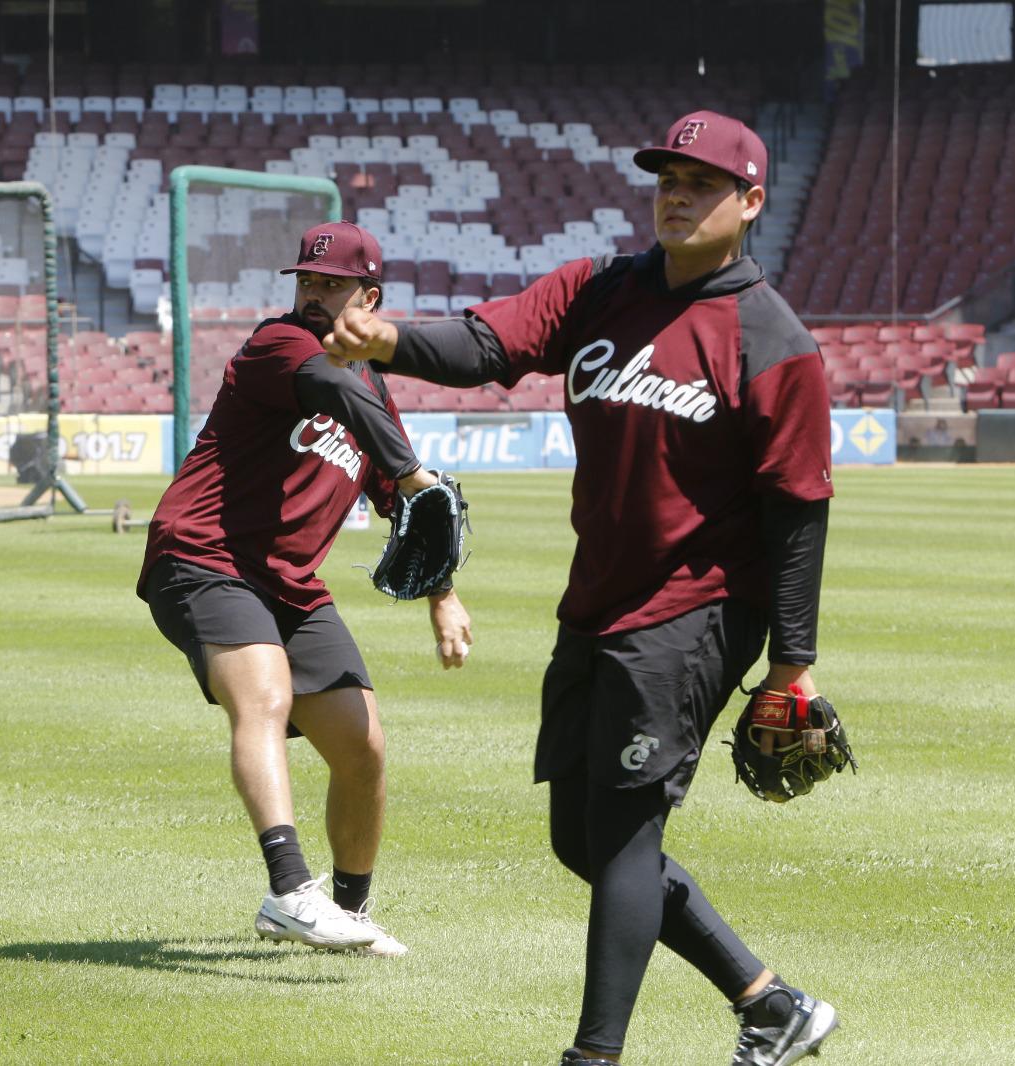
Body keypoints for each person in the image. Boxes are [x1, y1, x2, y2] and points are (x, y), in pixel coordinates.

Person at [324, 112, 839, 1063]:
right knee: (583, 840)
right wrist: (388, 338)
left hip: (699, 608)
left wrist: (792, 663)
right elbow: (488, 345)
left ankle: (591, 1055)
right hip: (599, 602)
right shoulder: (602, 290)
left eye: (701, 182)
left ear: (752, 202)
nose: (676, 194)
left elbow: (798, 511)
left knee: (630, 833)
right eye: (666, 178)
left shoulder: (774, 341)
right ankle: (771, 1005)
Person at [138, 221, 473, 957]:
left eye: (332, 285)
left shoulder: (372, 394)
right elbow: (330, 386)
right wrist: (414, 469)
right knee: (264, 699)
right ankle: (291, 891)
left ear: (370, 296)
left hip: (288, 583)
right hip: (203, 554)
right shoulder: (279, 344)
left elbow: (409, 509)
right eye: (306, 281)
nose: (314, 294)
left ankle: (347, 909)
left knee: (363, 746)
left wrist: (443, 596)